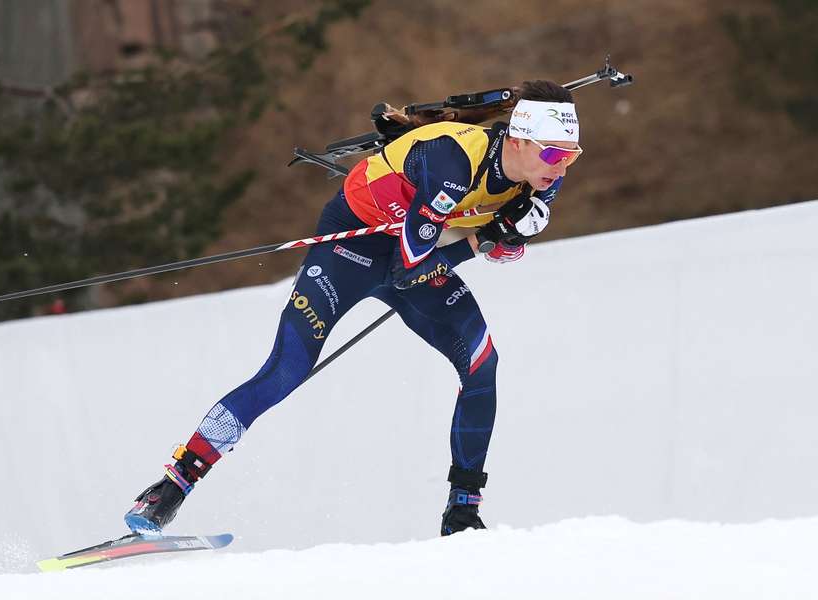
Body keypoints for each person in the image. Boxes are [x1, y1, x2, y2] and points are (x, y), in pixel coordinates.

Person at [125, 80, 582, 536]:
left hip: (416, 252)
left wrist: (508, 242)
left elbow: (492, 240)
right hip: (354, 245)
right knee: (287, 368)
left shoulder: (540, 178)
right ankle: (171, 487)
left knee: (483, 365)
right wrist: (485, 240)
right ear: (519, 140)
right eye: (552, 154)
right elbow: (410, 269)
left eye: (571, 155)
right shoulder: (453, 161)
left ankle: (462, 512)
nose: (560, 169)